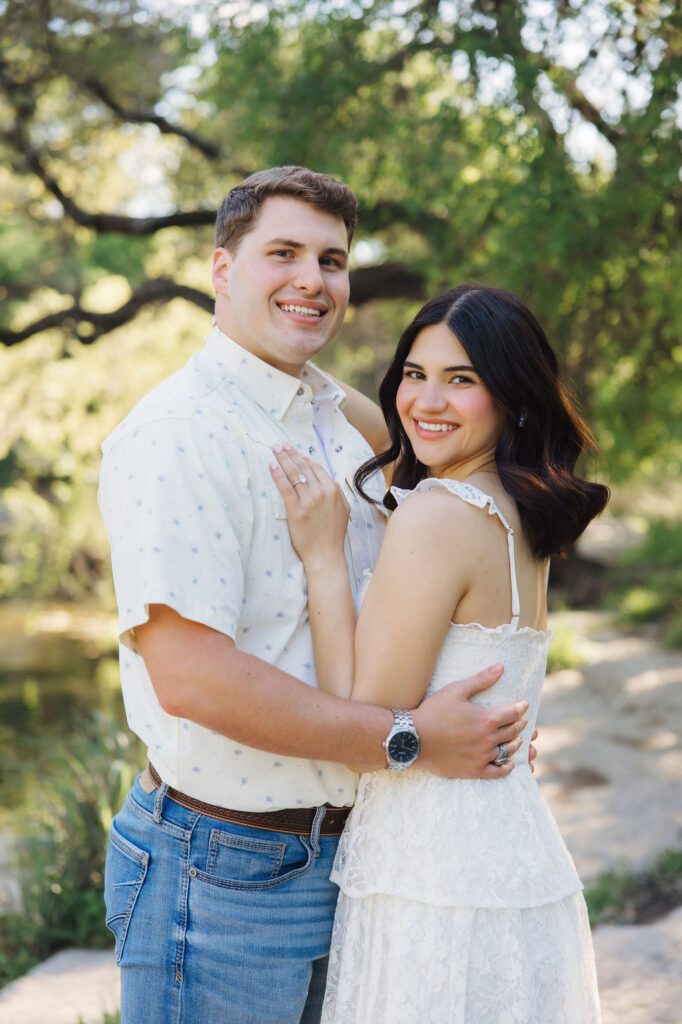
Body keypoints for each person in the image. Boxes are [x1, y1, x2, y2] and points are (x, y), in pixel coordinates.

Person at [97, 168, 534, 1024]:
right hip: (224, 872)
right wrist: (410, 742)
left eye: (331, 260)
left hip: (362, 855)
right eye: (283, 254)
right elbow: (192, 678)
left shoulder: (333, 418)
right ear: (221, 270)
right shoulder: (181, 434)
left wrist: (498, 697)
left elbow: (445, 553)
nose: (312, 280)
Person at [271, 283, 609, 1023]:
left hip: (433, 871)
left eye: (462, 380)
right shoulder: (519, 510)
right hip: (512, 857)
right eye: (413, 374)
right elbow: (397, 421)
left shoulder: (434, 515)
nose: (427, 400)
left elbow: (362, 721)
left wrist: (325, 556)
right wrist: (305, 365)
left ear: (512, 396)